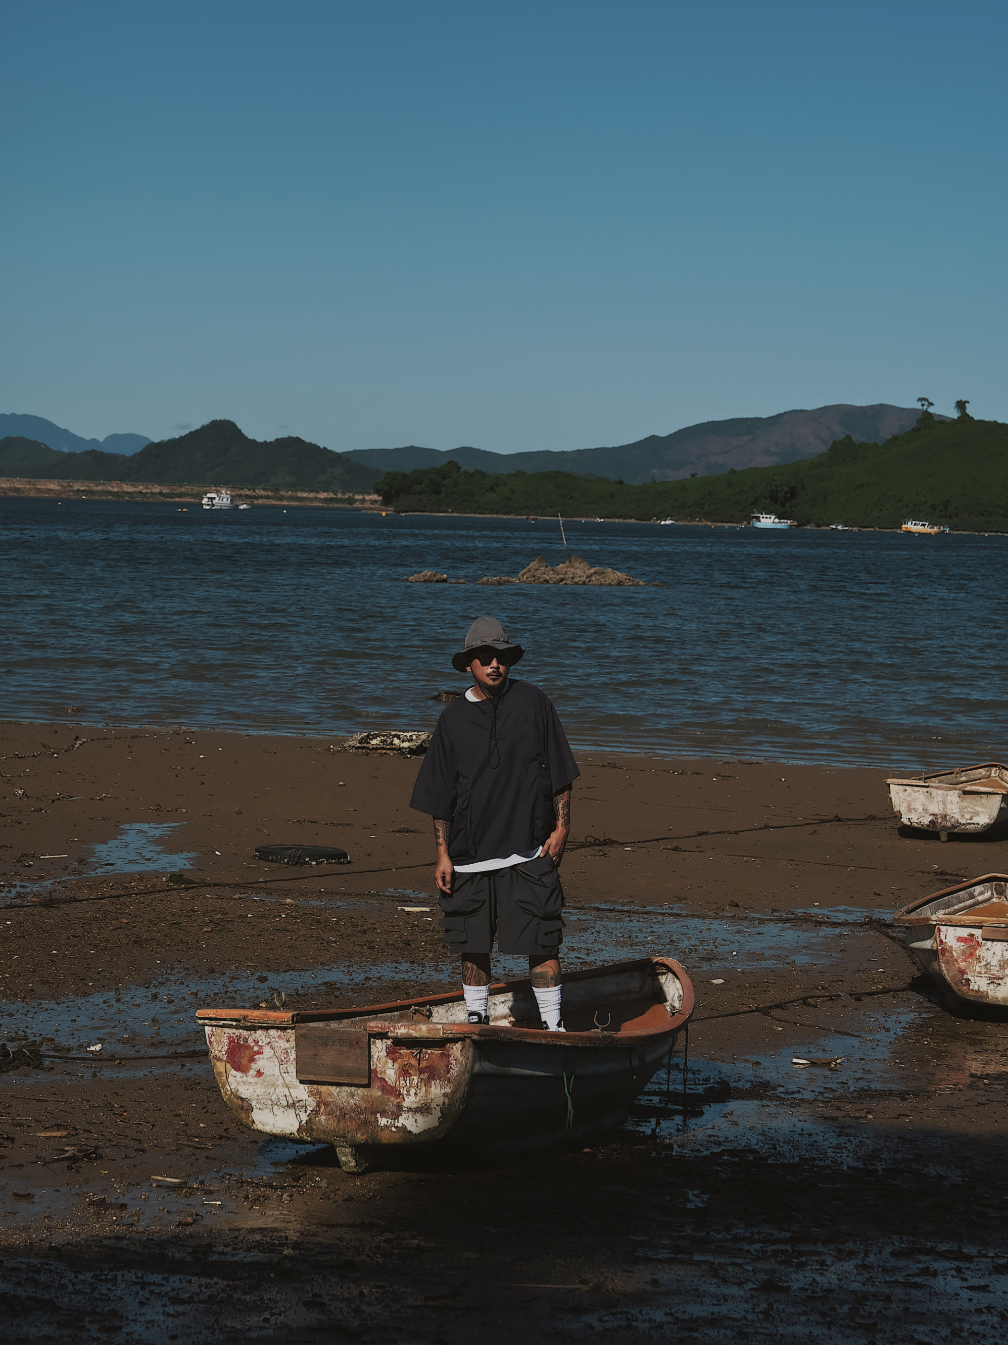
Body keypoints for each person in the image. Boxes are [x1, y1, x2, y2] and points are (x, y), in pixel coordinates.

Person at [409, 615, 579, 1030]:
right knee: (473, 945)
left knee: (543, 940)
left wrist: (561, 828)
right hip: (468, 854)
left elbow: (560, 771)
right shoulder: (450, 721)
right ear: (469, 663)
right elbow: (441, 795)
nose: (494, 665)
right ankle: (476, 1019)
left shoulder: (535, 703)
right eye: (484, 658)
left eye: (500, 656)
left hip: (529, 848)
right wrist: (442, 854)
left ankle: (553, 1027)